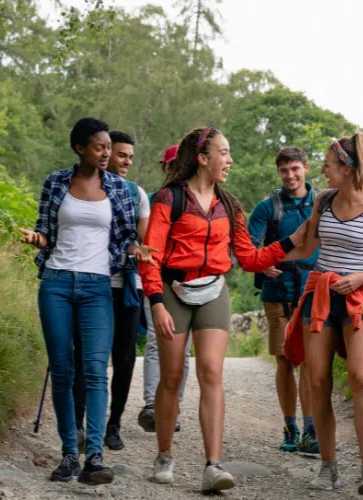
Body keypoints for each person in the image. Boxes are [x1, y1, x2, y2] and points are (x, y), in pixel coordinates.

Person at [139, 127, 308, 491]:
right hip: (173, 290)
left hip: (214, 290)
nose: (229, 160)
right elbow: (150, 255)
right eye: (224, 153)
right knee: (171, 377)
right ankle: (165, 456)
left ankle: (212, 466)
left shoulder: (230, 205)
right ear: (203, 158)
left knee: (212, 372)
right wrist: (156, 302)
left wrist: (292, 241)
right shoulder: (169, 199)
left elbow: (248, 258)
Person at [19, 117, 150, 485]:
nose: (106, 153)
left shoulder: (121, 189)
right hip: (57, 283)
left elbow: (126, 238)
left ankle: (94, 455)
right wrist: (36, 238)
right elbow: (46, 229)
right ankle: (67, 455)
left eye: (108, 147)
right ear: (79, 148)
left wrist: (137, 250)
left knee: (95, 371)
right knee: (62, 370)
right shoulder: (56, 182)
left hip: (98, 286)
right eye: (99, 147)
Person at [282, 133, 363, 496]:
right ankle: (328, 467)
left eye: (329, 165)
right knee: (316, 381)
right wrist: (263, 259)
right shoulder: (323, 200)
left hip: (360, 298)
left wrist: (360, 278)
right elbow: (308, 245)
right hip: (320, 294)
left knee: (361, 378)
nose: (322, 170)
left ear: (347, 169)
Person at [247, 146, 319, 454]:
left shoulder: (323, 203)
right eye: (284, 171)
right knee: (285, 360)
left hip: (314, 290)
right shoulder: (267, 207)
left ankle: (311, 429)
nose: (290, 176)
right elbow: (247, 249)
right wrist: (263, 263)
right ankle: (290, 426)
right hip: (277, 293)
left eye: (295, 169)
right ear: (279, 172)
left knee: (310, 361)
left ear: (306, 167)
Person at [138, 145, 192, 434]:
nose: (174, 171)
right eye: (169, 166)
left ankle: (173, 408)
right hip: (157, 281)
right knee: (155, 341)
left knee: (182, 351)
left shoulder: (197, 201)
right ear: (164, 168)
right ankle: (151, 405)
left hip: (189, 285)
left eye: (178, 165)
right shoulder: (150, 201)